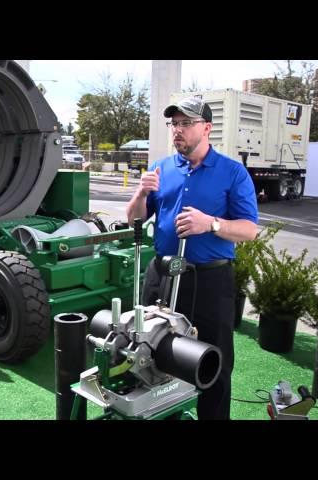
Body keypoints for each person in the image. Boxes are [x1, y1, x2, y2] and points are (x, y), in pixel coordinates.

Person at [126, 96, 258, 420]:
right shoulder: (161, 168)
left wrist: (210, 224)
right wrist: (141, 193)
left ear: (207, 128)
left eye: (186, 123)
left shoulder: (233, 172)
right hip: (162, 275)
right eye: (174, 124)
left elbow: (249, 229)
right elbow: (133, 220)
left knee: (213, 361)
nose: (178, 131)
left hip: (210, 281)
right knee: (150, 351)